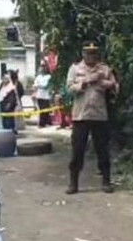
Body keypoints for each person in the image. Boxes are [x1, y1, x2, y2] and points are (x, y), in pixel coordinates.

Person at [65, 41, 118, 194]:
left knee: (102, 149)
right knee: (77, 150)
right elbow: (69, 89)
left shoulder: (105, 69)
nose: (91, 55)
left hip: (99, 115)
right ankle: (73, 183)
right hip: (80, 116)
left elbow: (115, 86)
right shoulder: (75, 69)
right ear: (83, 54)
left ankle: (106, 181)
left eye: (93, 53)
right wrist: (84, 82)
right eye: (88, 53)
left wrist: (101, 81)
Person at [33, 63, 52, 128]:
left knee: (45, 110)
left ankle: (43, 123)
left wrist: (39, 85)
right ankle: (42, 123)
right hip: (39, 95)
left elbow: (45, 86)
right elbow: (35, 85)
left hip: (46, 96)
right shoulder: (38, 77)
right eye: (41, 68)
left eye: (44, 67)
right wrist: (39, 85)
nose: (42, 69)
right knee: (41, 109)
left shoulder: (49, 77)